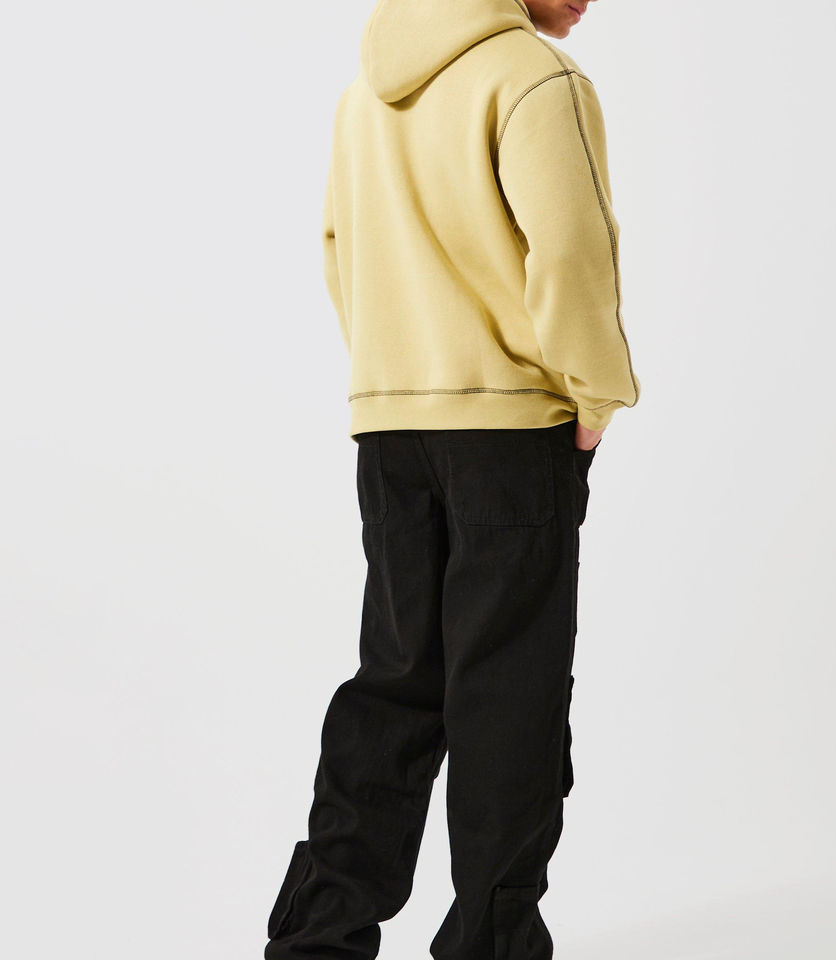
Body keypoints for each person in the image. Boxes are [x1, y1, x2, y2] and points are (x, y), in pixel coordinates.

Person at [264, 0, 640, 957]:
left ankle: (318, 937)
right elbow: (572, 253)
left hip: (391, 427)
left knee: (395, 683)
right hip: (510, 433)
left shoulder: (365, 95)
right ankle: (493, 946)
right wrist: (595, 399)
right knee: (509, 697)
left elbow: (338, 250)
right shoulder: (535, 79)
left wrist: (397, 374)